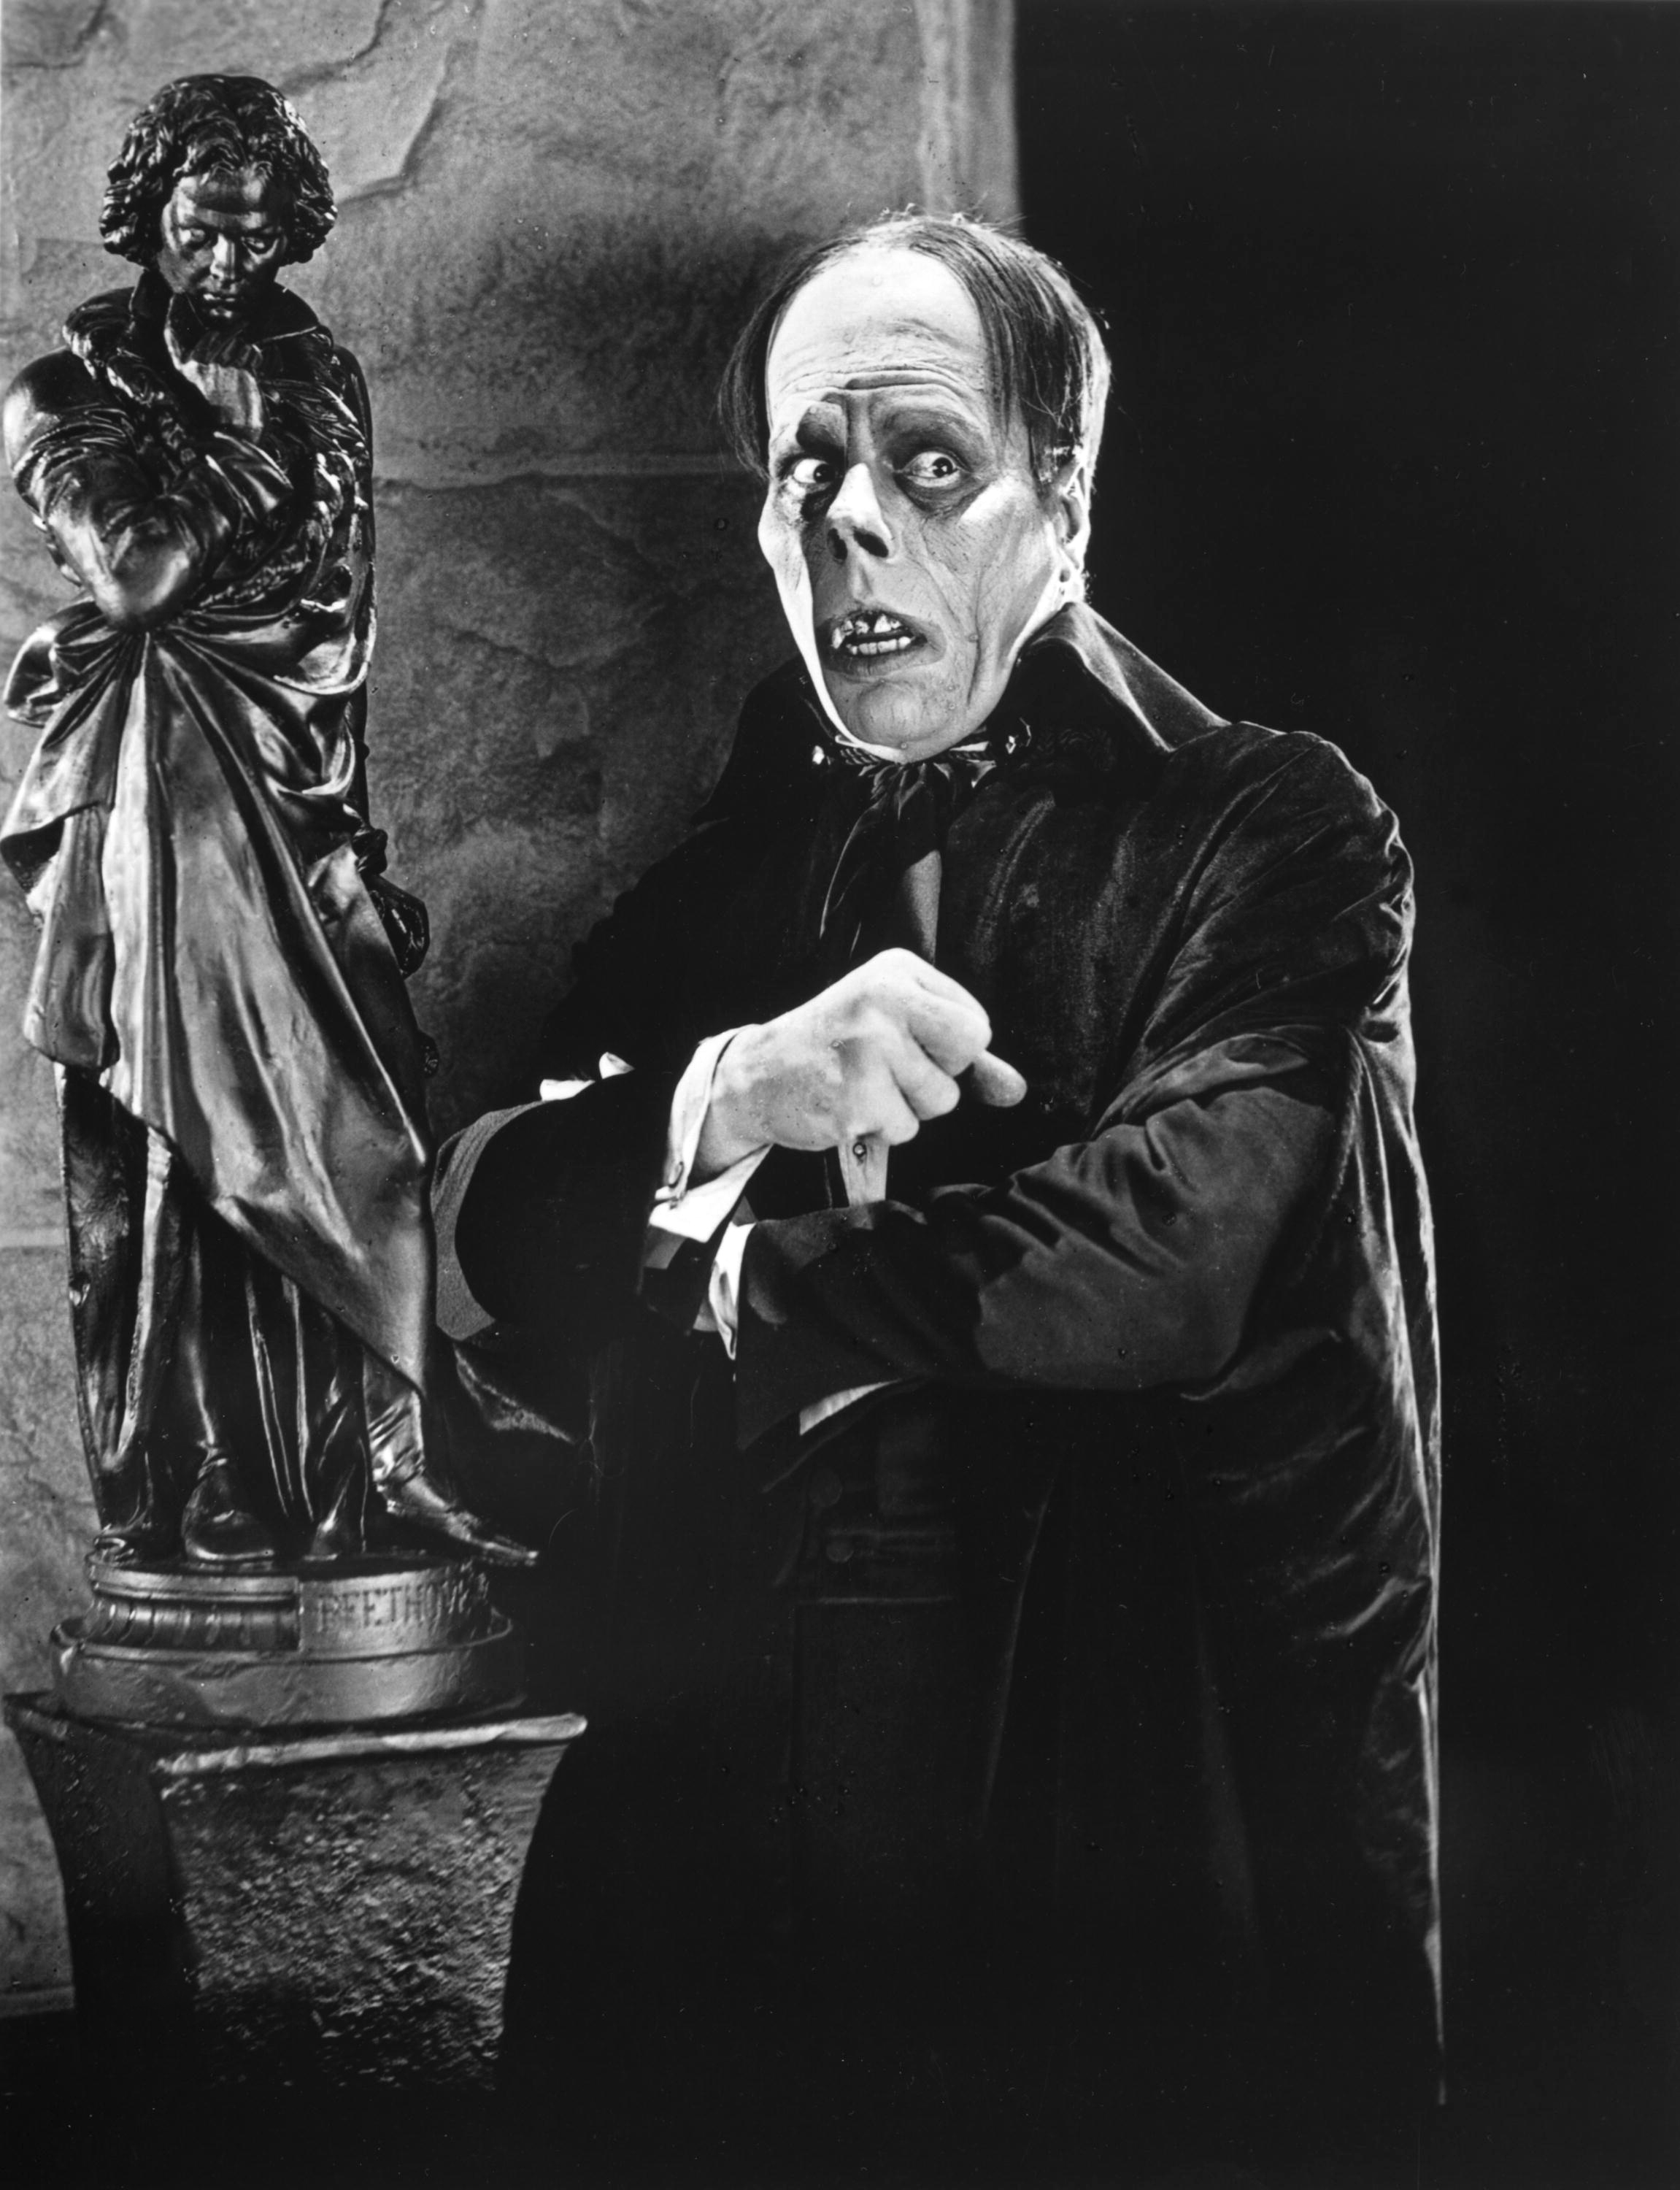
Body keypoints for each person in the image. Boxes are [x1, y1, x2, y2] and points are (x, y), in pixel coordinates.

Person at [441, 214, 1441, 2168]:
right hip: (722, 1823)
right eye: (803, 472)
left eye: (924, 463)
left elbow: (1170, 1253)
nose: (849, 527)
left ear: (1060, 498)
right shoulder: (724, 874)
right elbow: (474, 1244)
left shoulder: (1266, 824)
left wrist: (726, 1279)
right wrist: (728, 1092)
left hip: (1116, 1809)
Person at [2, 76, 528, 1570]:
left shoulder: (318, 375)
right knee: (186, 1145)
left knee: (363, 1120)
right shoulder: (63, 394)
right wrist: (242, 448)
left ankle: (366, 1462)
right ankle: (216, 1483)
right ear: (145, 213)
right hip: (162, 806)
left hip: (294, 802)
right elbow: (138, 577)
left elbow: (335, 624)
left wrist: (347, 830)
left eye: (256, 235)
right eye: (202, 227)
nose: (229, 263)